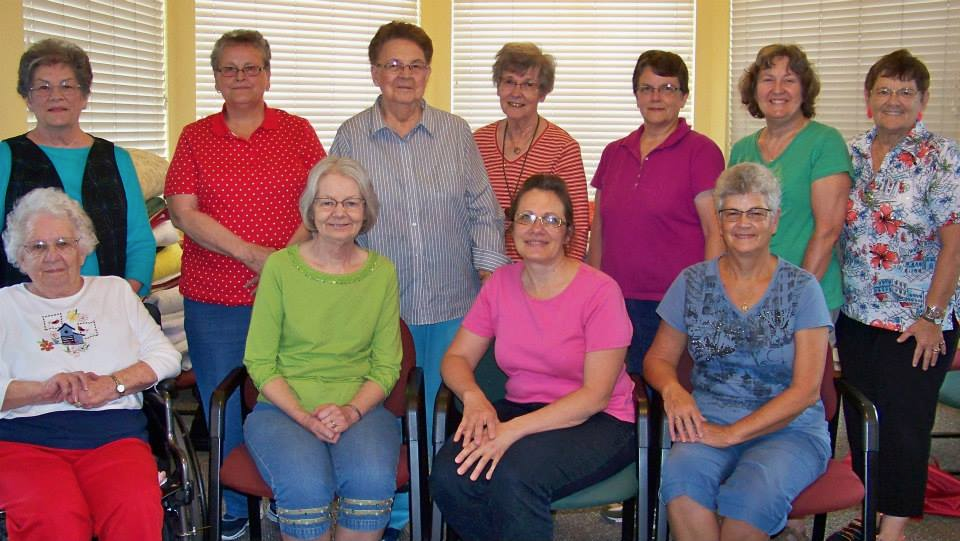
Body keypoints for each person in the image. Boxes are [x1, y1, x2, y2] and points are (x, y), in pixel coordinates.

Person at [164, 29, 326, 539]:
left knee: (287, 395)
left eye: (251, 67)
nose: (240, 77)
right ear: (216, 78)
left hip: (291, 290)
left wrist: (279, 263)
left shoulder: (297, 131)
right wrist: (251, 254)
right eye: (229, 69)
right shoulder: (195, 136)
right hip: (215, 297)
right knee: (224, 400)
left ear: (268, 75)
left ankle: (282, 490)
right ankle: (232, 504)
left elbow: (323, 200)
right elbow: (183, 211)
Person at [430, 174, 636, 541]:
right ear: (511, 228)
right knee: (450, 474)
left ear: (569, 233)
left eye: (551, 220)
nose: (537, 229)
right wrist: (474, 398)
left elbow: (596, 396)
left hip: (599, 420)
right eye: (526, 218)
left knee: (516, 475)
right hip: (523, 406)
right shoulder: (500, 284)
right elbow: (457, 357)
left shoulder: (601, 292)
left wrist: (509, 433)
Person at [644, 163, 832, 541]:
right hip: (708, 419)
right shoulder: (692, 281)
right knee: (680, 479)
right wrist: (674, 391)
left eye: (756, 213)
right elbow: (658, 359)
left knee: (751, 497)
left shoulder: (803, 288)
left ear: (775, 221)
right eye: (732, 213)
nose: (743, 223)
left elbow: (807, 391)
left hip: (789, 429)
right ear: (720, 220)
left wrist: (732, 435)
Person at [829, 50, 960, 541]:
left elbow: (955, 243)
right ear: (868, 100)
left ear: (922, 101)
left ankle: (894, 528)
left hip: (916, 322)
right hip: (858, 314)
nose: (894, 100)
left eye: (906, 92)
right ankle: (872, 511)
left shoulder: (942, 157)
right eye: (884, 90)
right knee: (864, 421)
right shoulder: (853, 154)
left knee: (905, 427)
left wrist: (931, 316)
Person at [0, 188, 180, 541]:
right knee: (56, 520)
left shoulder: (114, 292)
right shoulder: (5, 306)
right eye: (38, 246)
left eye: (63, 243)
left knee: (135, 512)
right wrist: (45, 390)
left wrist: (112, 385)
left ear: (82, 249)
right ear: (19, 256)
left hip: (115, 436)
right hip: (26, 443)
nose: (53, 256)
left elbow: (167, 357)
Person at [242, 157, 401, 541]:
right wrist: (304, 416)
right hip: (284, 408)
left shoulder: (382, 273)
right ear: (311, 209)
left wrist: (349, 411)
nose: (339, 213)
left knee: (371, 479)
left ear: (367, 210)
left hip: (359, 408)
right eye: (327, 202)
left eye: (352, 202)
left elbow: (387, 365)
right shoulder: (280, 267)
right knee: (305, 485)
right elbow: (259, 361)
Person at [587, 49, 724, 380]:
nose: (656, 97)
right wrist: (590, 291)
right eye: (647, 88)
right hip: (615, 299)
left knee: (668, 396)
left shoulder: (702, 152)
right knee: (619, 393)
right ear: (636, 95)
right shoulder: (614, 152)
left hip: (673, 303)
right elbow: (600, 227)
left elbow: (715, 232)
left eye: (668, 88)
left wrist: (702, 299)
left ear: (683, 97)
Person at [0, 38, 155, 296]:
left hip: (106, 304)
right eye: (43, 87)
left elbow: (140, 240)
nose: (56, 96)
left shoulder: (117, 159)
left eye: (67, 86)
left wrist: (124, 297)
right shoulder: (6, 157)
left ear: (84, 96)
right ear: (28, 98)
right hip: (26, 311)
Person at [729, 44, 851, 317]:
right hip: (749, 295)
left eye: (789, 80)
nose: (778, 89)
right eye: (768, 79)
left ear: (804, 89)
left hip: (804, 299)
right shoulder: (742, 150)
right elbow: (732, 225)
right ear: (755, 88)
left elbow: (828, 230)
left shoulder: (824, 143)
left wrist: (791, 298)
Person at [473, 42, 589, 261]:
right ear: (498, 87)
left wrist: (567, 285)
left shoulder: (563, 147)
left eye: (528, 84)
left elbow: (578, 228)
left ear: (542, 93)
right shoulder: (477, 142)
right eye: (509, 82)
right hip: (485, 276)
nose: (516, 93)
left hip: (543, 276)